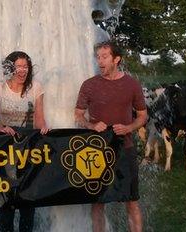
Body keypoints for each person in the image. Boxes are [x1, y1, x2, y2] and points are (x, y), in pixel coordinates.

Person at [74, 41, 147, 232]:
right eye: (98, 57)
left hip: (125, 150)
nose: (100, 61)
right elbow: (78, 115)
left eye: (104, 57)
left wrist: (128, 127)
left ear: (116, 59)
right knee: (98, 202)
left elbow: (142, 116)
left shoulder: (132, 84)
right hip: (97, 152)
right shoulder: (89, 85)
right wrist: (91, 125)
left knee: (131, 201)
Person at [0, 51, 48, 232]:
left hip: (28, 150)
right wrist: (0, 127)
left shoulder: (36, 87)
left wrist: (45, 129)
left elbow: (39, 118)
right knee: (6, 199)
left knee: (28, 199)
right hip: (5, 150)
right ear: (10, 68)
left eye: (25, 66)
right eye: (18, 66)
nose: (22, 70)